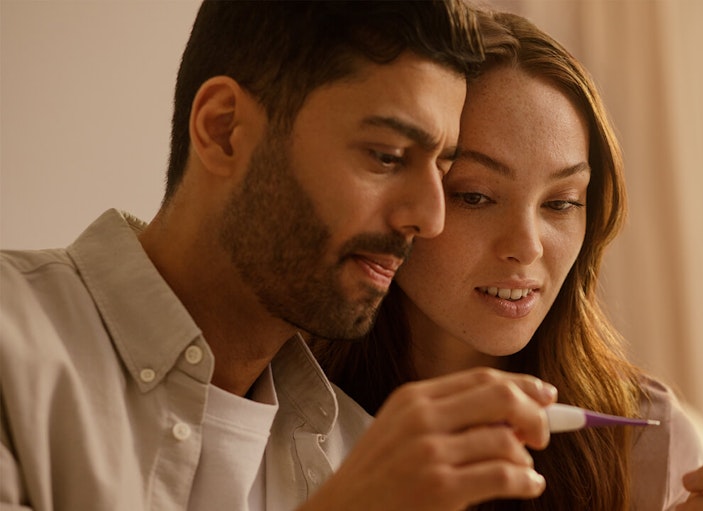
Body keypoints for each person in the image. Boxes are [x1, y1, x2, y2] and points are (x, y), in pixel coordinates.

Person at [0, 2, 561, 510]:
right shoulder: (13, 348)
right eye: (387, 156)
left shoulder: (364, 458)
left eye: (443, 170)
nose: (429, 218)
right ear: (223, 129)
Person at [311, 11, 703, 511]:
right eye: (475, 196)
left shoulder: (645, 440)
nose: (528, 245)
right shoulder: (289, 409)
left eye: (560, 203)